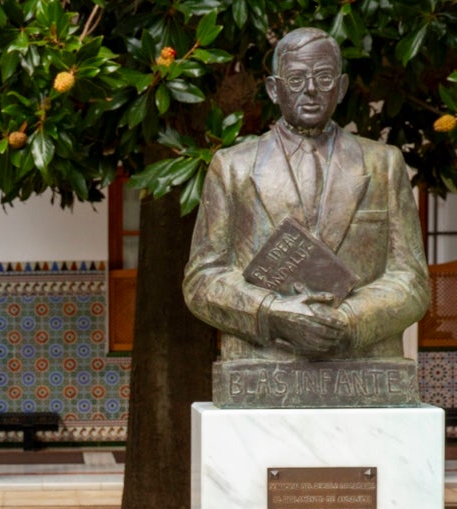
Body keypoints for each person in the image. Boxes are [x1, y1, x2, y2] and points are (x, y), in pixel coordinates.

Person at [183, 27, 429, 362]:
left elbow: (411, 280)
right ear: (273, 89)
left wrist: (347, 319)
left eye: (324, 77)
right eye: (296, 79)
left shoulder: (384, 165)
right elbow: (201, 280)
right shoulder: (232, 167)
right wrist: (273, 314)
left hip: (362, 367)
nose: (311, 90)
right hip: (263, 364)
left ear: (341, 88)